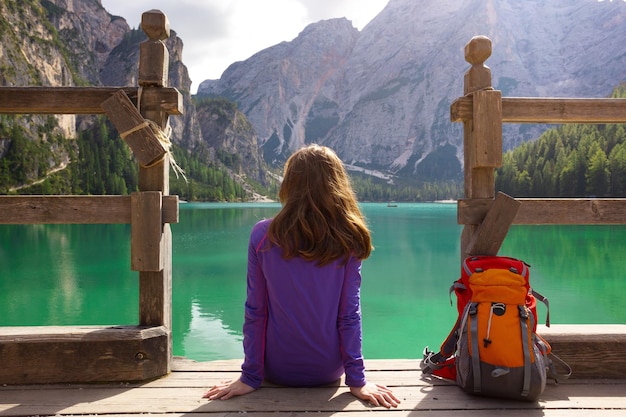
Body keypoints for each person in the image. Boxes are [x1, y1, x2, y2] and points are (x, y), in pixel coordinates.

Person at [203, 144, 400, 408]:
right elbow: (349, 315)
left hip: (276, 370)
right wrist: (357, 380)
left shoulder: (263, 236)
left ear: (290, 185)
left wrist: (250, 377)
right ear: (337, 185)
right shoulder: (350, 238)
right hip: (328, 371)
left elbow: (255, 311)